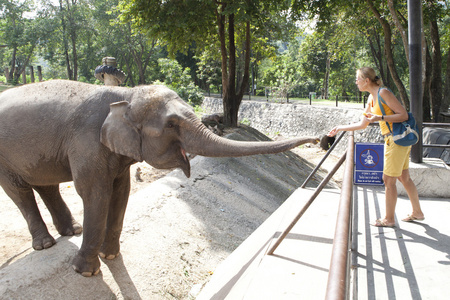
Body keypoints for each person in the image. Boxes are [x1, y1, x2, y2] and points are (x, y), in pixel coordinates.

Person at [327, 67, 424, 227]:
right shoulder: (371, 99)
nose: (356, 82)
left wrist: (380, 117)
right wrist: (339, 128)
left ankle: (389, 219)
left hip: (395, 139)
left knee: (388, 180)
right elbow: (362, 124)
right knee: (403, 178)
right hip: (394, 140)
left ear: (366, 80)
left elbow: (404, 115)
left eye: (357, 78)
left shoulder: (383, 93)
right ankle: (417, 212)